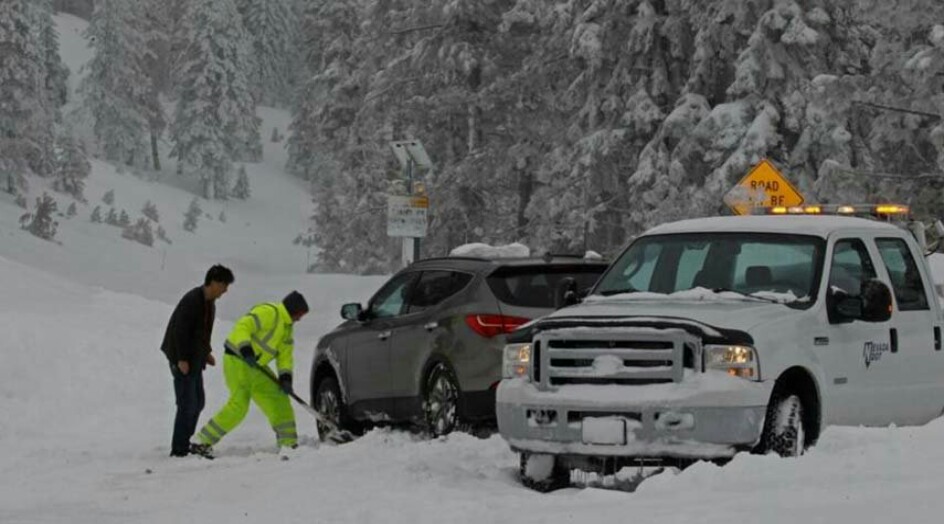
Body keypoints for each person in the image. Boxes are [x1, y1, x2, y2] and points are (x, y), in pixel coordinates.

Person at [191, 291, 309, 459]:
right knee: (239, 404)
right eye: (300, 314)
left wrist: (285, 379)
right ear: (293, 309)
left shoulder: (287, 329)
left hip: (257, 367)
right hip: (238, 360)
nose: (300, 318)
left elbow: (285, 358)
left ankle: (288, 444)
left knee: (279, 398)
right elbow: (243, 326)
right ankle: (201, 442)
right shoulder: (270, 312)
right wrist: (246, 349)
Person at [161, 265, 234, 457]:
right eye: (224, 285)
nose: (226, 290)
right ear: (215, 282)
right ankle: (179, 449)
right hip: (182, 358)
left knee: (198, 402)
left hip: (194, 358)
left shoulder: (209, 303)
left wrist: (207, 352)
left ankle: (186, 442)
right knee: (187, 404)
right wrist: (182, 359)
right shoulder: (192, 300)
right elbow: (180, 331)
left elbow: (201, 332)